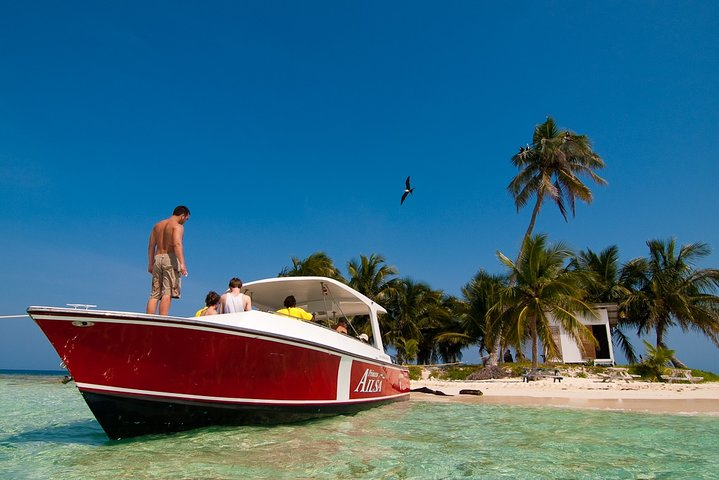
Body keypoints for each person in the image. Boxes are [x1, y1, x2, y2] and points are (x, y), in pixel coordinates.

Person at [146, 205, 190, 316]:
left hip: (157, 258)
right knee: (168, 292)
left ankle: (148, 320)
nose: (185, 221)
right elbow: (177, 244)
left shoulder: (157, 225)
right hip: (170, 259)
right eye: (186, 219)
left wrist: (150, 263)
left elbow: (151, 246)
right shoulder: (177, 227)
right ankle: (162, 320)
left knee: (155, 293)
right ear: (182, 216)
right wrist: (182, 264)